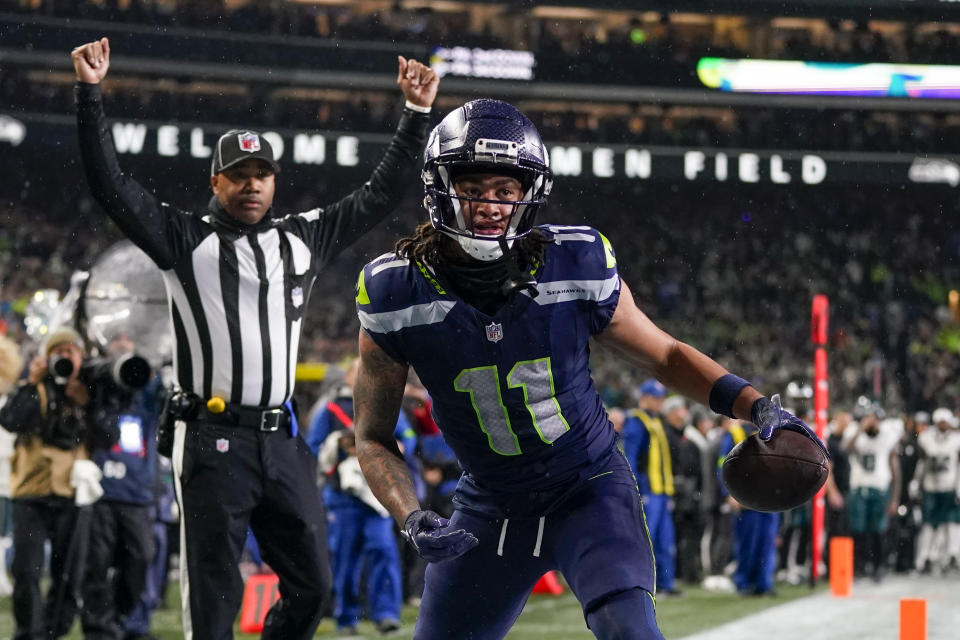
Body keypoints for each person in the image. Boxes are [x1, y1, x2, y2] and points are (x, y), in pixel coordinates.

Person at [350, 99, 824, 639]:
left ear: (530, 194)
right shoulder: (393, 291)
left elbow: (664, 355)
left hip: (589, 489)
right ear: (440, 187)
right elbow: (372, 436)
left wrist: (756, 404)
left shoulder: (575, 263)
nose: (490, 205)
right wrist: (409, 514)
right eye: (474, 187)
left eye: (506, 190)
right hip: (489, 505)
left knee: (631, 633)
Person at [71, 36, 438, 639]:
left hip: (282, 437)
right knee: (214, 602)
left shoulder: (301, 239)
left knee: (312, 587)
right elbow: (110, 185)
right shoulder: (182, 238)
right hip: (211, 437)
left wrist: (416, 116)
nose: (252, 185)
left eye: (262, 174)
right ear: (216, 182)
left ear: (275, 182)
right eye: (238, 175)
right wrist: (90, 95)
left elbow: (379, 195)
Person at [0, 327, 116, 639]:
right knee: (26, 571)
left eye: (70, 352)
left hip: (72, 494)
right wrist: (33, 382)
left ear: (81, 358)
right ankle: (28, 633)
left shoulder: (89, 390)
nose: (64, 358)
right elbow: (9, 420)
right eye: (58, 352)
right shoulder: (36, 386)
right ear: (46, 357)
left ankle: (53, 631)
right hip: (32, 493)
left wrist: (87, 402)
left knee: (69, 575)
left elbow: (109, 438)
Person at [305, 359, 407, 636]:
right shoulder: (331, 408)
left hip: (378, 497)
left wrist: (384, 449)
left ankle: (386, 614)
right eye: (359, 372)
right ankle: (346, 617)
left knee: (383, 552)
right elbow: (313, 447)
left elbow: (408, 439)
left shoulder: (386, 401)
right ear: (349, 377)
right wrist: (338, 443)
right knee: (345, 559)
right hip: (343, 496)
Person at [80, 335, 161, 640]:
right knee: (97, 564)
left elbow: (166, 392)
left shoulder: (147, 388)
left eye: (130, 340)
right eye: (118, 340)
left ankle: (123, 620)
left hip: (136, 492)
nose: (124, 344)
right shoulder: (97, 384)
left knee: (140, 558)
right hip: (101, 491)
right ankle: (98, 628)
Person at [621, 380, 679, 595]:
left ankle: (665, 583)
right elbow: (631, 457)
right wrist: (637, 489)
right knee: (647, 540)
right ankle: (642, 585)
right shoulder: (637, 421)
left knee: (665, 541)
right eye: (656, 398)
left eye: (662, 398)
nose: (660, 402)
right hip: (649, 492)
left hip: (661, 492)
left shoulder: (656, 420)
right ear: (644, 398)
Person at [843, 404, 900, 580]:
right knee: (858, 530)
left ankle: (877, 567)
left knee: (878, 531)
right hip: (859, 488)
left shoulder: (887, 435)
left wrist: (894, 499)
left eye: (875, 419)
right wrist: (861, 429)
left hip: (880, 488)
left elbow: (895, 468)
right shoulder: (855, 433)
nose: (872, 422)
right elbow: (846, 449)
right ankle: (859, 567)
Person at [912, 408, 960, 574]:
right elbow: (922, 463)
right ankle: (925, 557)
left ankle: (952, 555)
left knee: (952, 523)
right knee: (929, 524)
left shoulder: (956, 440)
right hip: (931, 486)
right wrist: (916, 483)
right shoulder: (926, 438)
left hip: (950, 486)